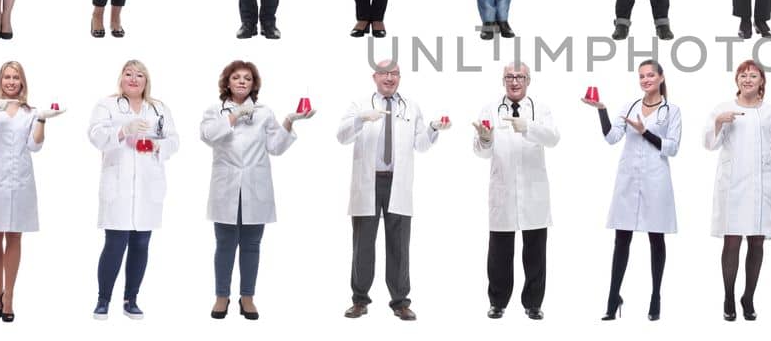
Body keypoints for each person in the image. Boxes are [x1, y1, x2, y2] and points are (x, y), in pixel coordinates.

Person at [335, 60, 449, 321]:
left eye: (395, 73)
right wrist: (360, 119)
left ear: (400, 77)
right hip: (368, 182)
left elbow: (420, 145)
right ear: (374, 76)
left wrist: (432, 128)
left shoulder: (411, 106)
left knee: (399, 245)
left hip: (397, 182)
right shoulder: (359, 104)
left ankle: (400, 302)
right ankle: (360, 300)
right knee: (363, 244)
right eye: (385, 73)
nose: (390, 78)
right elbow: (341, 137)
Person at [199, 59, 312, 320]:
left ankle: (247, 297)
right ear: (227, 82)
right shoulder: (215, 110)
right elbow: (207, 135)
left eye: (247, 78)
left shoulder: (264, 111)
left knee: (251, 245)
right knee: (225, 244)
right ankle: (221, 297)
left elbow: (276, 147)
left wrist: (289, 121)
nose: (242, 81)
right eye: (236, 77)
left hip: (255, 185)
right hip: (226, 186)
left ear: (254, 84)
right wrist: (234, 116)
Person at [704, 60, 771, 321]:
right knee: (731, 241)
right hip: (732, 185)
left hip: (760, 184)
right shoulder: (723, 109)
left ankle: (748, 297)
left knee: (756, 242)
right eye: (743, 75)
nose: (747, 79)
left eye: (753, 76)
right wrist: (719, 122)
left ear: (762, 81)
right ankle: (729, 296)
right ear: (736, 80)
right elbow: (709, 144)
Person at [0, 61, 64, 323]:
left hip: (20, 181)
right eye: (6, 77)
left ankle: (10, 297)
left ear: (22, 82)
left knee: (15, 237)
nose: (10, 81)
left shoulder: (30, 111)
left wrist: (42, 119)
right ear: (1, 80)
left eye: (15, 77)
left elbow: (35, 146)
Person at [584, 59, 682, 321]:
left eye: (651, 75)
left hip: (656, 180)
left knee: (656, 239)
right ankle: (612, 298)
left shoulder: (672, 110)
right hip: (629, 180)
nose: (646, 80)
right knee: (621, 239)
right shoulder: (629, 106)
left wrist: (645, 131)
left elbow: (672, 147)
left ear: (661, 78)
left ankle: (655, 298)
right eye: (641, 76)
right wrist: (601, 110)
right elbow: (611, 138)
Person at [86, 60, 180, 320]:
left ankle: (131, 299)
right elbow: (95, 134)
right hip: (118, 183)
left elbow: (174, 139)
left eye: (140, 75)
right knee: (115, 243)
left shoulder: (158, 108)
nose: (134, 78)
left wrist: (159, 146)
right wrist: (122, 130)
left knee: (141, 243)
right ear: (121, 78)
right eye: (129, 74)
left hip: (149, 184)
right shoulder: (107, 105)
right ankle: (103, 300)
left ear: (146, 80)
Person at [472, 63, 560, 319]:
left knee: (535, 253)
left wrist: (528, 127)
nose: (514, 81)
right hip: (503, 191)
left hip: (534, 194)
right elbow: (481, 152)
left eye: (520, 77)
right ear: (503, 80)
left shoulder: (541, 109)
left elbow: (554, 139)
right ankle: (497, 302)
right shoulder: (490, 108)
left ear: (528, 80)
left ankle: (533, 303)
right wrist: (485, 139)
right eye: (509, 76)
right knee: (499, 253)